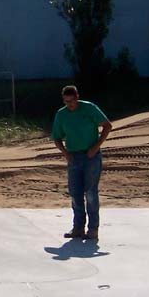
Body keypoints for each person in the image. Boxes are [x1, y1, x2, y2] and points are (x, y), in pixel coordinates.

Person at [51, 85, 112, 240]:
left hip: (91, 156)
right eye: (66, 102)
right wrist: (65, 153)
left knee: (91, 193)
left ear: (77, 97)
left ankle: (93, 229)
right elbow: (56, 137)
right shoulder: (61, 114)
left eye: (71, 101)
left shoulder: (89, 108)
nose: (69, 105)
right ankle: (78, 227)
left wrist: (96, 147)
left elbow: (107, 125)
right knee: (75, 193)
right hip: (73, 157)